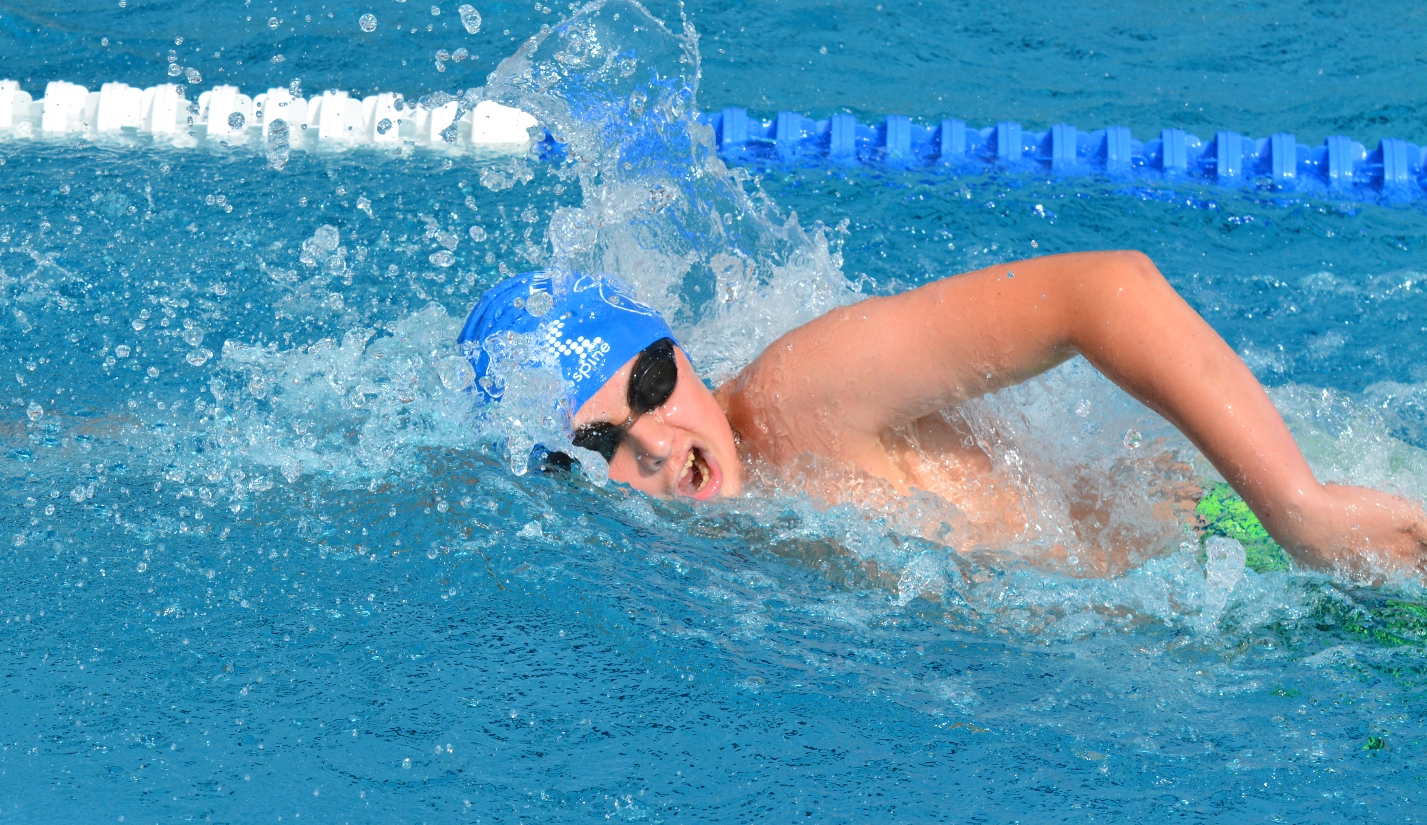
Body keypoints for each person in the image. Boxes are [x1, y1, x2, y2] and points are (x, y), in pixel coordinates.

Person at [459, 252, 1427, 578]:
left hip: (1251, 555)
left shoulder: (804, 394)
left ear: (683, 351)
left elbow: (1103, 290)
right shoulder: (718, 545)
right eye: (601, 447)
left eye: (651, 384)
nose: (659, 442)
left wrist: (1295, 508)